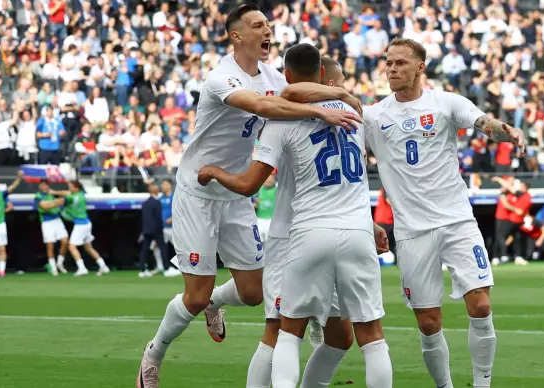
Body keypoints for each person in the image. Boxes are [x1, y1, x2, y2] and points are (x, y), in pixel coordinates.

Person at [136, 5, 363, 387]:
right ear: (236, 36)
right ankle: (154, 351)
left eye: (269, 25)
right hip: (199, 190)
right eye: (258, 25)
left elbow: (292, 89)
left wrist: (338, 91)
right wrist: (322, 111)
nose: (267, 30)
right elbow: (261, 105)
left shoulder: (273, 74)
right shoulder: (220, 78)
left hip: (235, 192)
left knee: (254, 294)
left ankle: (216, 303)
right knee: (193, 297)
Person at [198, 43, 393, 388]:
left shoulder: (281, 117)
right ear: (323, 78)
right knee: (368, 335)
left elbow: (248, 184)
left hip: (304, 232)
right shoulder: (356, 115)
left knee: (294, 331)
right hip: (344, 232)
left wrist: (214, 170)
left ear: (288, 74)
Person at [362, 38, 525, 388]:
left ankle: (482, 385)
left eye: (401, 63)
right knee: (429, 323)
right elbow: (350, 167)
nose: (392, 69)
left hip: (457, 221)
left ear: (420, 67)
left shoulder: (446, 103)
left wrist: (505, 131)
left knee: (481, 306)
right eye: (388, 62)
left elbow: (483, 123)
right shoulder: (373, 116)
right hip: (412, 232)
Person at [52, 180, 111, 276]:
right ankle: (103, 266)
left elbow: (63, 200)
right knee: (88, 247)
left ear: (77, 188)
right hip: (87, 223)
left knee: (71, 246)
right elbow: (66, 193)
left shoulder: (72, 198)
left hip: (81, 225)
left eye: (71, 187)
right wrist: (55, 192)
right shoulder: (81, 194)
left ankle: (82, 268)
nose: (69, 189)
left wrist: (52, 199)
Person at [34, 179, 69, 276]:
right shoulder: (38, 196)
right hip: (46, 222)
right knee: (50, 246)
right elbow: (45, 206)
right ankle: (53, 267)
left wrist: (55, 193)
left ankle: (60, 263)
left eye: (46, 185)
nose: (44, 187)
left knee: (65, 241)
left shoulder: (52, 194)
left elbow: (68, 195)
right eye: (42, 185)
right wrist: (57, 202)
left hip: (57, 219)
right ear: (39, 187)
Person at [138, 183, 168, 278]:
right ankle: (167, 268)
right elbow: (158, 217)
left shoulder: (145, 203)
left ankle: (142, 270)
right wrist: (160, 228)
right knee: (163, 248)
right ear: (155, 191)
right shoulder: (157, 202)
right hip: (156, 229)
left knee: (145, 249)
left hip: (146, 230)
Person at [157, 179, 180, 277]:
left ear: (170, 185)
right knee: (163, 248)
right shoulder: (161, 198)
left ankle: (179, 267)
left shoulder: (175, 196)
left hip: (174, 227)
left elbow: (179, 209)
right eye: (162, 185)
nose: (163, 186)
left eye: (165, 184)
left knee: (177, 248)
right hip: (163, 227)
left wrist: (172, 218)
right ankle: (166, 267)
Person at [254, 173, 276, 243]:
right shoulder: (258, 190)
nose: (268, 181)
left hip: (271, 220)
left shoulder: (277, 190)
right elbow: (253, 203)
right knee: (258, 242)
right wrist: (254, 205)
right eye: (266, 179)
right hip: (259, 219)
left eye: (270, 179)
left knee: (270, 242)